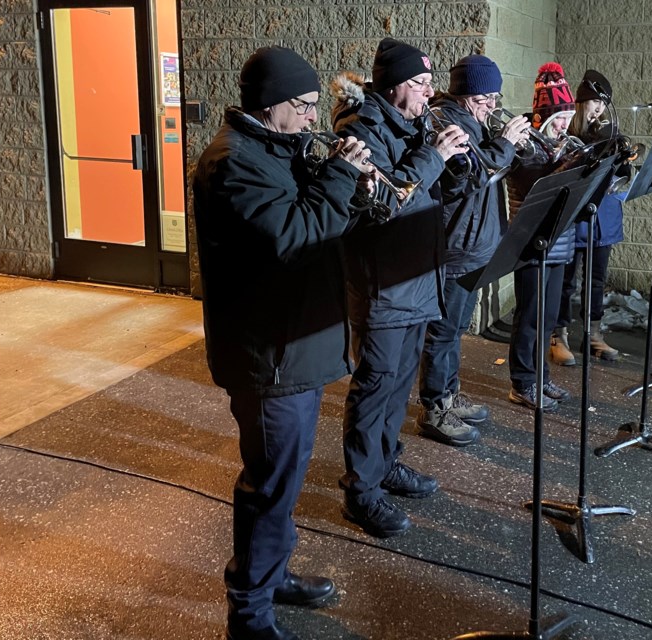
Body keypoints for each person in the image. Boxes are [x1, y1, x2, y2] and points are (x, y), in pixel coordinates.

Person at [191, 46, 376, 640]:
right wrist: (343, 175)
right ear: (272, 105)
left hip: (293, 344)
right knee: (269, 484)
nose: (312, 120)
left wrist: (352, 186)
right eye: (305, 107)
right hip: (268, 355)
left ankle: (270, 574)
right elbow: (294, 235)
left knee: (286, 478)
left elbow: (316, 223)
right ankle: (249, 613)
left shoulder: (275, 148)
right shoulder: (234, 163)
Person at [329, 38, 471, 538]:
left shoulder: (413, 125)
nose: (432, 93)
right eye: (422, 84)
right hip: (383, 283)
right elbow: (386, 202)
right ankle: (360, 491)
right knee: (375, 385)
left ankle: (385, 462)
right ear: (393, 88)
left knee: (398, 384)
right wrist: (432, 156)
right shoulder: (362, 128)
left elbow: (429, 191)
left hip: (416, 276)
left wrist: (454, 167)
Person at [415, 54, 531, 446]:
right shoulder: (446, 122)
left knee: (456, 330)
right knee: (442, 333)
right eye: (486, 98)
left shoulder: (475, 121)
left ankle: (448, 393)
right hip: (455, 245)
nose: (493, 107)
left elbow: (499, 166)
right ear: (465, 94)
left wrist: (518, 147)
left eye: (496, 98)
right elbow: (462, 179)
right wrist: (504, 144)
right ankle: (434, 407)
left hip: (476, 244)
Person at [505, 62, 578, 411]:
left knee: (548, 318)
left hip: (560, 241)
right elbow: (532, 179)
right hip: (532, 240)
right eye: (559, 118)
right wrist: (570, 165)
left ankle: (540, 376)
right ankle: (522, 382)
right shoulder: (526, 145)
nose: (565, 125)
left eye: (568, 117)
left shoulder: (564, 145)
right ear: (544, 117)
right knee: (530, 314)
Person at [551, 69, 628, 365]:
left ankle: (594, 333)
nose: (599, 109)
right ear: (581, 103)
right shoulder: (569, 135)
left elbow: (622, 177)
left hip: (603, 218)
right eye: (595, 102)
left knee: (597, 280)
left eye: (603, 104)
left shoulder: (609, 132)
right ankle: (559, 334)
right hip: (575, 219)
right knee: (567, 281)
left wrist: (623, 159)